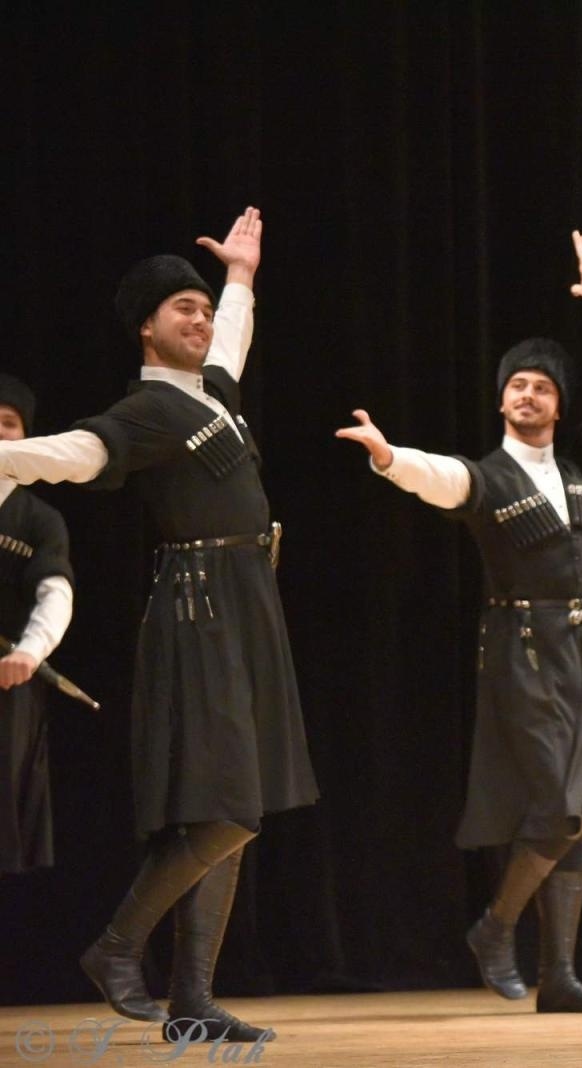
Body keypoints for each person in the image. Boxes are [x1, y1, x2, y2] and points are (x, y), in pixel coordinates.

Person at [0, 207, 316, 1042]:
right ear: (147, 328)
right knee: (225, 809)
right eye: (184, 307)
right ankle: (115, 947)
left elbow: (233, 344)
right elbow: (75, 455)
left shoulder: (214, 390)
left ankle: (193, 1003)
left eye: (203, 307)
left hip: (249, 605)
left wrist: (241, 277)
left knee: (233, 814)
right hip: (200, 606)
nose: (201, 316)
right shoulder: (141, 412)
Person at [336, 231, 582, 1014]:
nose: (529, 395)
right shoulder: (486, 475)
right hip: (524, 647)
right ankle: (495, 929)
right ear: (501, 400)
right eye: (517, 386)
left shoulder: (581, 465)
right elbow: (435, 479)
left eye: (542, 387)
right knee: (552, 803)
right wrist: (387, 456)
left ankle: (561, 977)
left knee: (581, 810)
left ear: (558, 404)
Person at [0, 374, 75, 877]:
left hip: (11, 683)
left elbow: (56, 592)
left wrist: (29, 651)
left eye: (7, 424)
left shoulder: (39, 520)